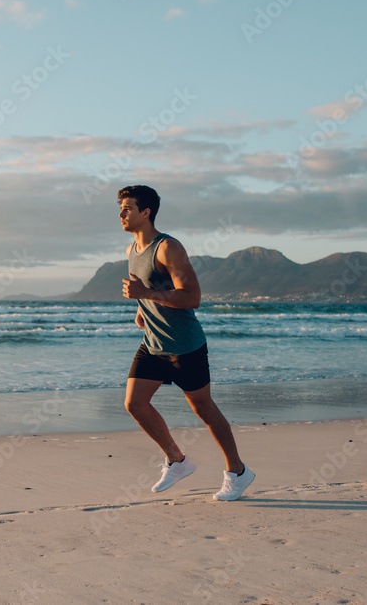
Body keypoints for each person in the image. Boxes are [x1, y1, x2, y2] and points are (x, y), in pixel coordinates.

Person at [117, 185, 254, 500]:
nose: (121, 213)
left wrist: (146, 296)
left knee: (204, 408)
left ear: (146, 212)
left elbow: (193, 298)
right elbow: (147, 288)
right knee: (134, 403)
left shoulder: (168, 248)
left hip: (185, 345)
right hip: (152, 343)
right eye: (120, 208)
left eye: (127, 208)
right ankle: (176, 460)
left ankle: (238, 472)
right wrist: (143, 311)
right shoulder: (131, 251)